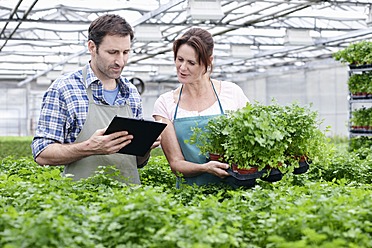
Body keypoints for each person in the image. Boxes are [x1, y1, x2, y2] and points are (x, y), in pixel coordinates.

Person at [31, 14, 160, 184]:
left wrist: (144, 148)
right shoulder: (65, 88)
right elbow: (42, 153)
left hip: (131, 205)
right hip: (82, 202)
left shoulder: (131, 92)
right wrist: (90, 148)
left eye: (126, 52)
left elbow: (136, 162)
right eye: (112, 52)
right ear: (92, 47)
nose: (120, 61)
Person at [152, 28, 249, 187]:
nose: (182, 68)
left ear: (208, 61)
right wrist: (205, 168)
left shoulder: (232, 93)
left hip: (235, 193)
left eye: (191, 63)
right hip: (190, 196)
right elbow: (176, 163)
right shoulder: (165, 103)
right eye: (179, 59)